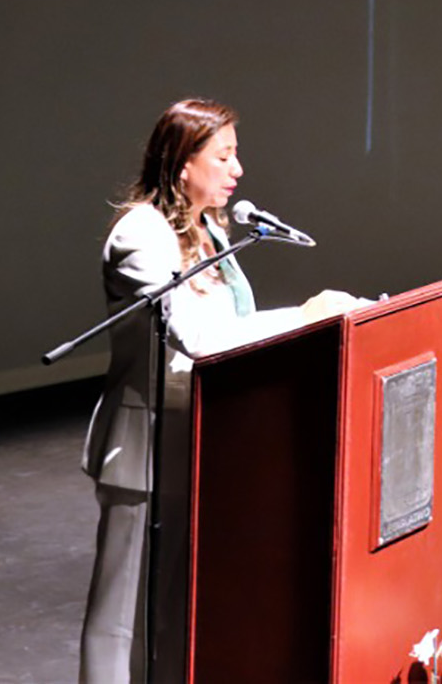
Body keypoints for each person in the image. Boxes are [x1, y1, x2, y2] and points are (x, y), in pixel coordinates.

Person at [80, 99, 359, 684]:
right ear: (183, 163)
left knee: (177, 608)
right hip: (147, 445)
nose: (238, 170)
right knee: (121, 614)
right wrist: (307, 315)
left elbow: (237, 325)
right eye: (224, 156)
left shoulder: (209, 230)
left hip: (207, 440)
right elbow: (200, 339)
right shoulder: (141, 235)